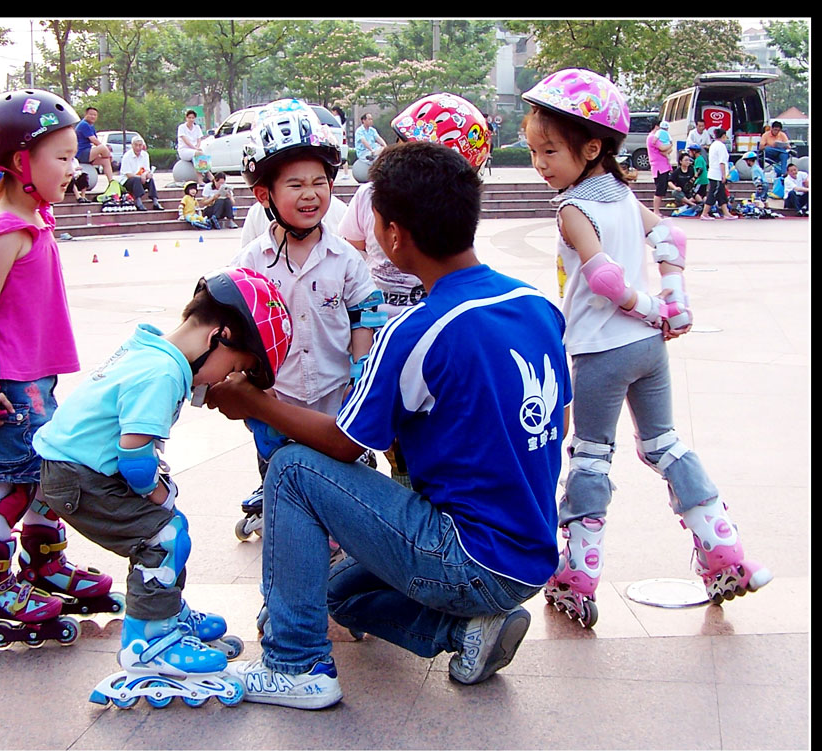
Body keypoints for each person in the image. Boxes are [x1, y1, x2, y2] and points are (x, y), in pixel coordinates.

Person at [206, 140, 571, 709]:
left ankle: (294, 663)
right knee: (334, 594)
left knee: (292, 469)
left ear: (395, 235)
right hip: (529, 556)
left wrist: (254, 403)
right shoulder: (537, 306)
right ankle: (467, 633)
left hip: (466, 556)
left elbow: (344, 446)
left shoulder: (415, 331)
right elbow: (557, 422)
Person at [520, 67, 771, 629]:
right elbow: (671, 237)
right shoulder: (623, 195)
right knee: (665, 445)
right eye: (535, 151)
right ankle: (724, 554)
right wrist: (674, 300)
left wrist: (654, 306)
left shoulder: (572, 208)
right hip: (647, 350)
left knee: (590, 456)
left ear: (590, 147)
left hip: (601, 351)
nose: (541, 164)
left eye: (550, 151)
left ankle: (577, 578)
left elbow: (605, 280)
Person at [32, 267, 291, 709]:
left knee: (168, 528)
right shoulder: (164, 373)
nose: (226, 380)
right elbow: (134, 456)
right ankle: (150, 643)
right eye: (238, 367)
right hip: (80, 476)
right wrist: (155, 490)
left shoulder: (150, 350)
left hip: (72, 469)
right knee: (163, 535)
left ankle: (165, 611)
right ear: (221, 336)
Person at [0, 89, 115, 651]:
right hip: (7, 382)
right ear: (19, 163)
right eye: (60, 157)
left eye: (72, 155)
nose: (72, 166)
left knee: (48, 471)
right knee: (16, 479)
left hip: (31, 376)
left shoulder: (34, 217)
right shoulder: (7, 227)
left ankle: (44, 566)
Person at [230, 97, 380, 542]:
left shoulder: (345, 258)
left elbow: (363, 314)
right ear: (265, 196)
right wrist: (251, 380)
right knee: (282, 469)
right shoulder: (250, 262)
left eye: (319, 181)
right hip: (278, 394)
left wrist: (360, 369)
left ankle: (343, 526)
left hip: (336, 391)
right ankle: (286, 520)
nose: (310, 194)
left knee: (339, 468)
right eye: (294, 184)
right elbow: (239, 327)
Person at [340, 92, 492, 488]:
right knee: (376, 420)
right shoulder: (368, 197)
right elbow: (351, 252)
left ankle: (409, 495)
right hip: (376, 327)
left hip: (429, 328)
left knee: (421, 427)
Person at [119, 135, 164, 212]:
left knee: (150, 180)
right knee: (136, 180)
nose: (138, 147)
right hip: (128, 181)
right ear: (132, 145)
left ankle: (155, 202)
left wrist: (146, 174)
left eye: (140, 145)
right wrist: (140, 177)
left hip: (141, 179)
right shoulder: (127, 156)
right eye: (136, 145)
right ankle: (138, 202)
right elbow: (128, 174)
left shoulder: (145, 155)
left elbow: (147, 169)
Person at [700, 128, 738, 220]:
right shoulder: (721, 146)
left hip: (714, 172)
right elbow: (722, 162)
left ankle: (726, 213)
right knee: (713, 193)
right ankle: (704, 213)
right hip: (717, 174)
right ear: (723, 136)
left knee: (722, 195)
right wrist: (724, 175)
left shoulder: (713, 145)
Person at [74, 106, 115, 187]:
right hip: (81, 153)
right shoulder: (84, 124)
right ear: (86, 114)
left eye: (95, 115)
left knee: (105, 161)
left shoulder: (91, 126)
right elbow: (94, 141)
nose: (93, 116)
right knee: (103, 148)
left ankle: (112, 183)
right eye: (91, 114)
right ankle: (109, 156)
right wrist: (106, 152)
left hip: (88, 153)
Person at [646, 117, 673, 216]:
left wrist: (668, 147)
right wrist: (670, 144)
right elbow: (662, 148)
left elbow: (668, 150)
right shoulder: (652, 137)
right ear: (657, 126)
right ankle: (656, 211)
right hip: (658, 166)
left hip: (664, 165)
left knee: (662, 189)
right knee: (659, 189)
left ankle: (657, 211)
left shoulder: (659, 137)